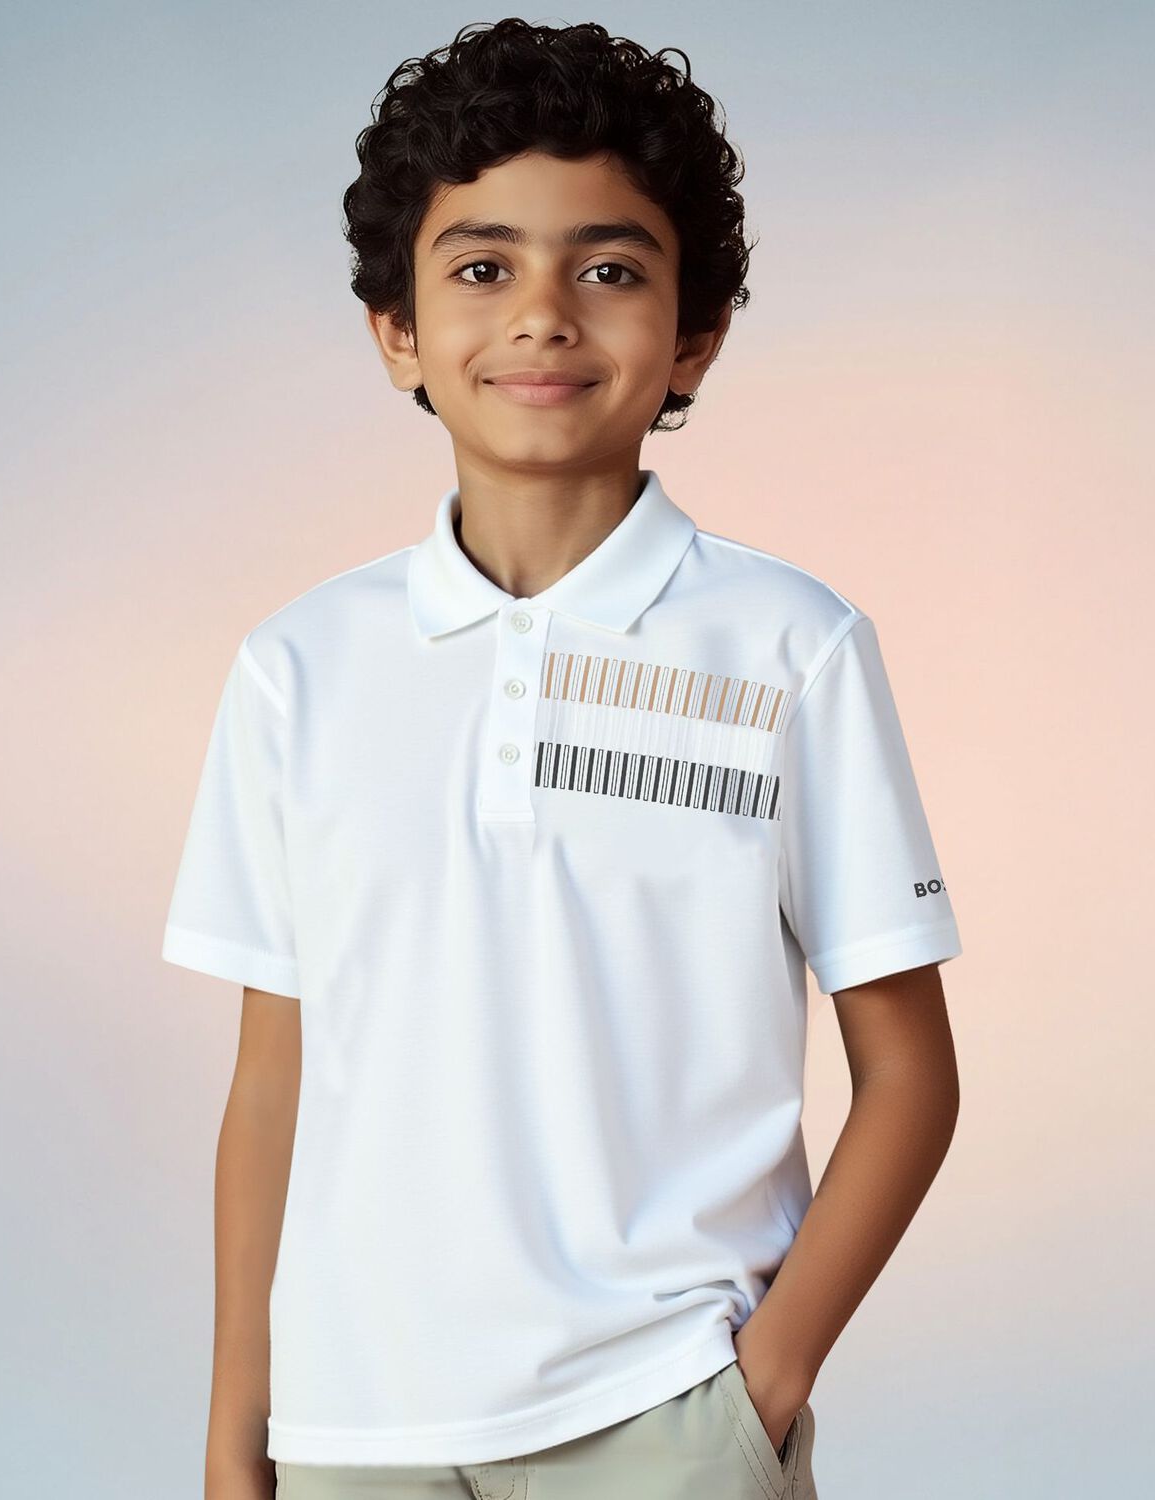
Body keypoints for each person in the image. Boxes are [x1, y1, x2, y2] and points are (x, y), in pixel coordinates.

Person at [163, 19, 963, 1500]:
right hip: (355, 1435)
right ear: (397, 332)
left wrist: (759, 1389)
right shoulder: (298, 668)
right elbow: (273, 1079)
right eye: (482, 269)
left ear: (694, 334)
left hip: (667, 1412)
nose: (542, 317)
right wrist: (235, 1437)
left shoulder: (790, 647)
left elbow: (909, 1071)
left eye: (608, 270)